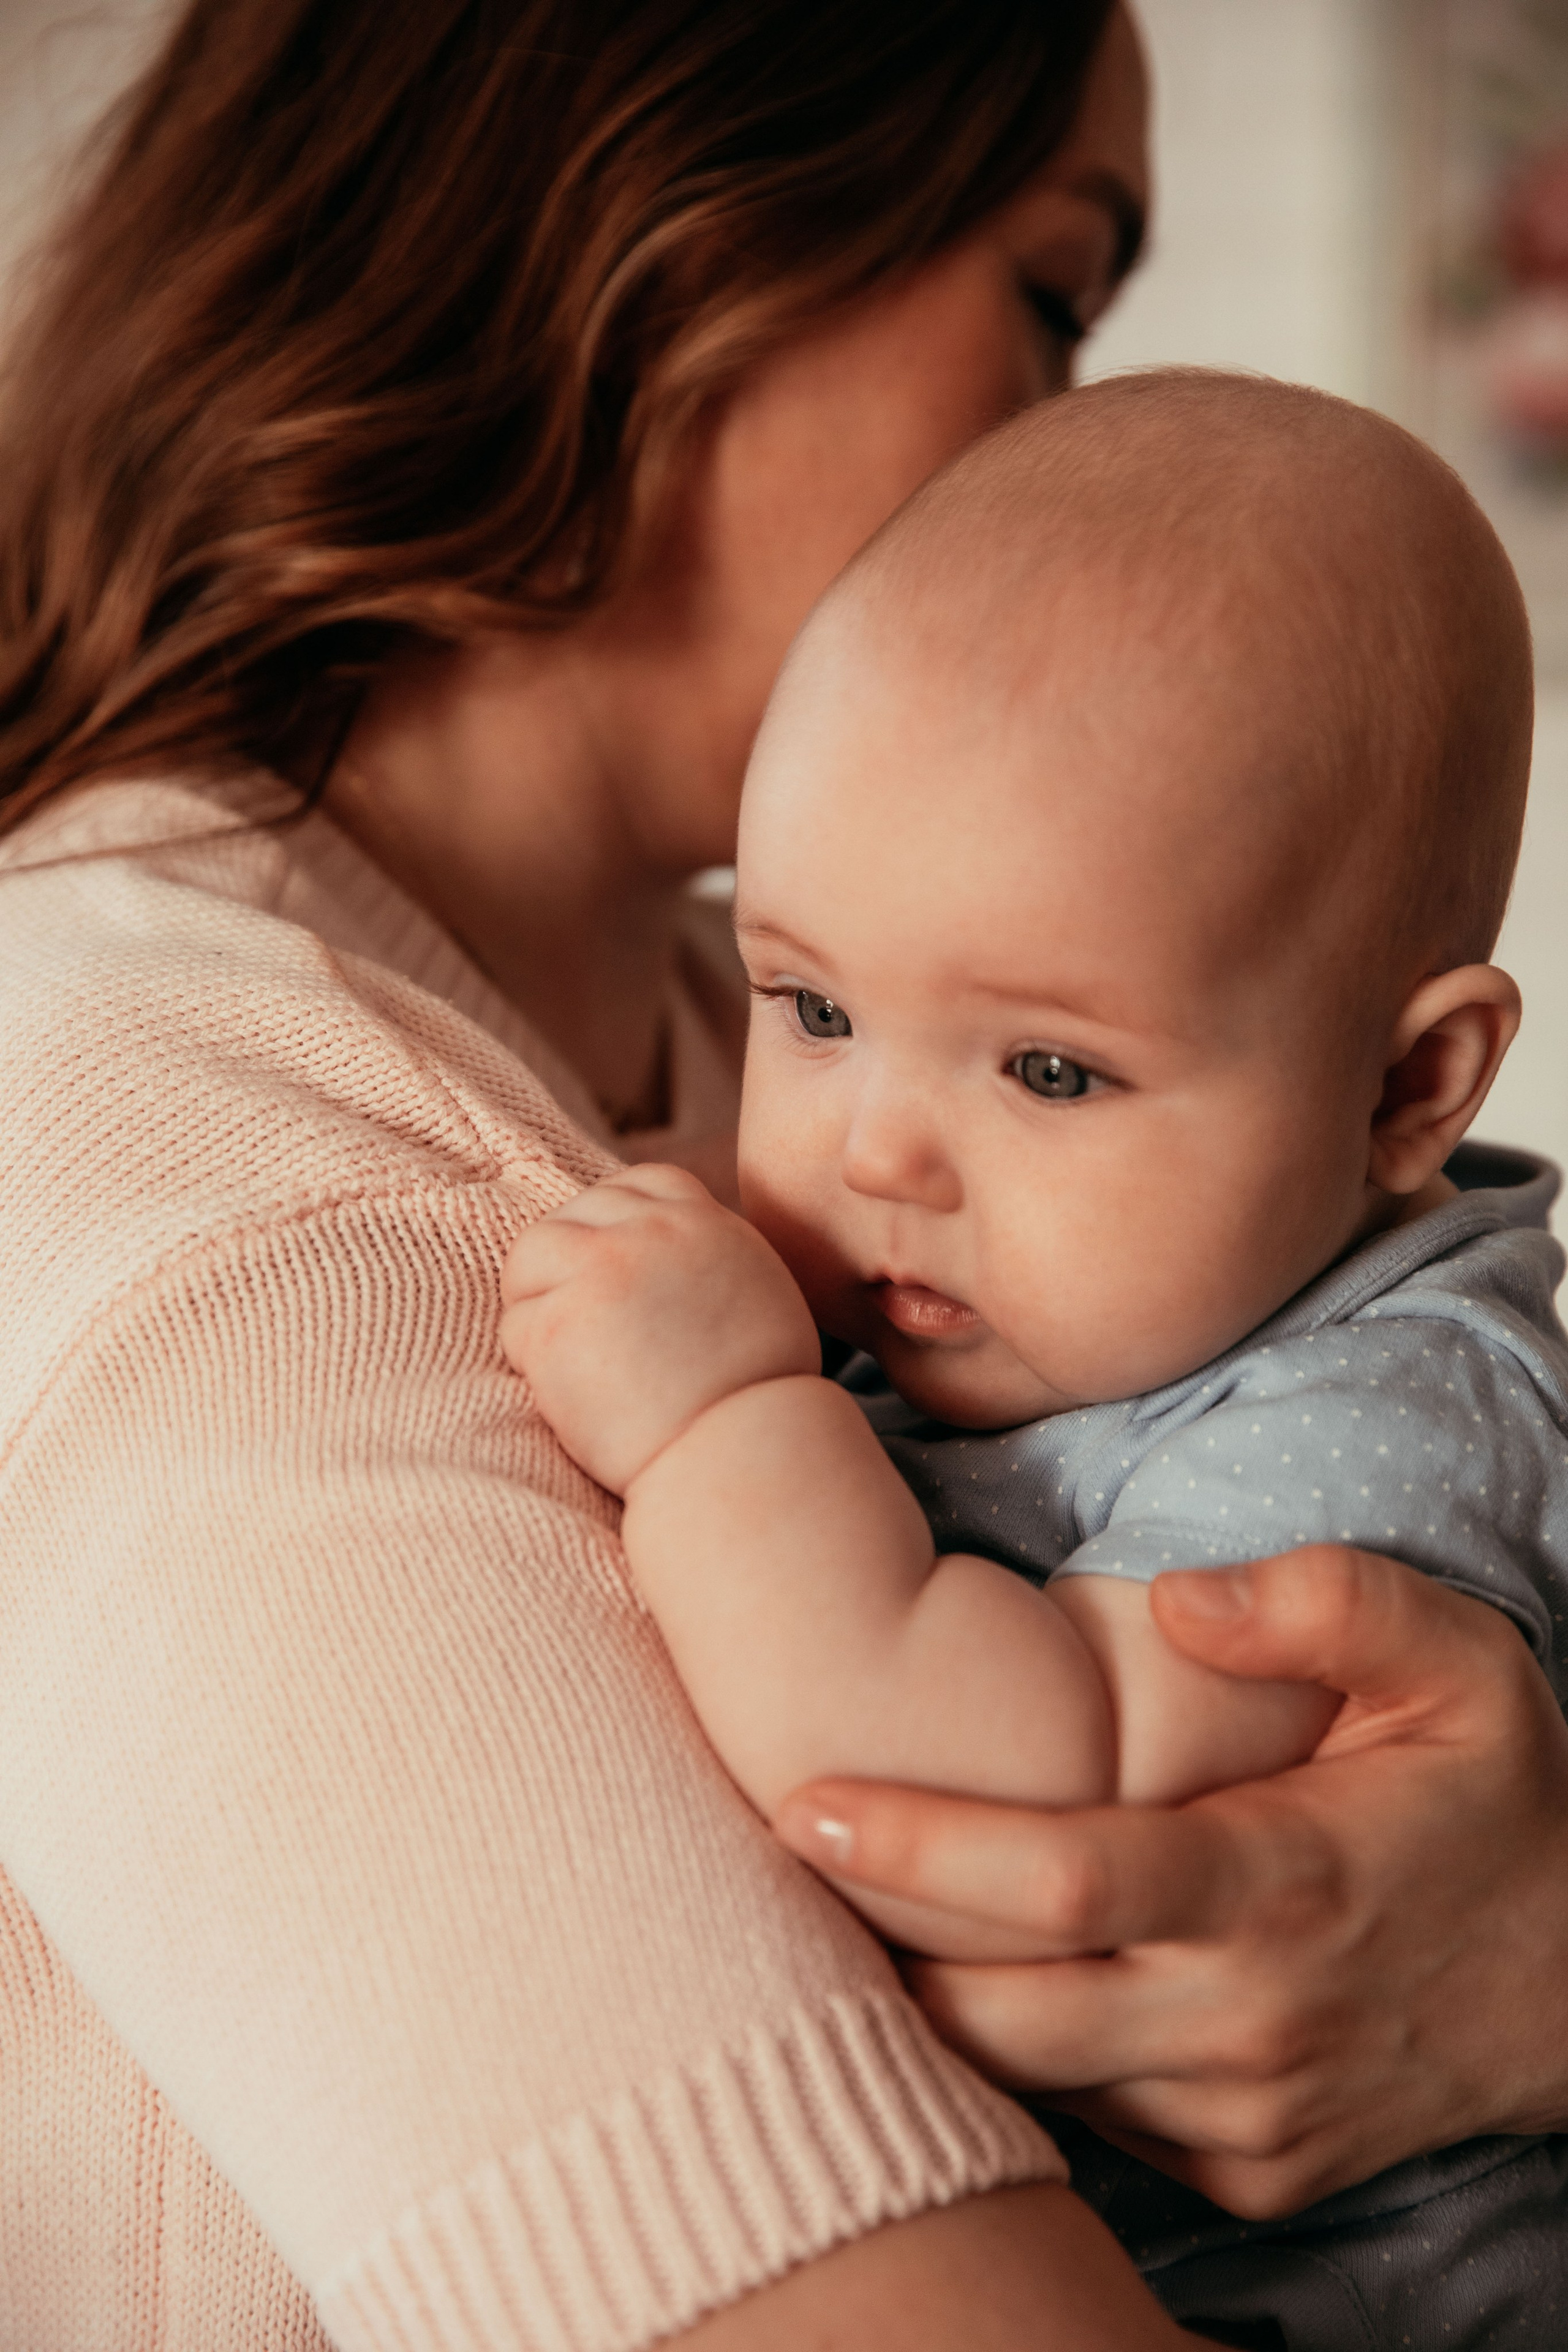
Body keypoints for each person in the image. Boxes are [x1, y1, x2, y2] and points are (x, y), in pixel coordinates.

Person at [0, 0, 1559, 2341]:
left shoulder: (768, 1063)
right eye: (1054, 297)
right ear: (661, 204)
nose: (1071, 444)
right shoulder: (194, 1130)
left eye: (1048, 1068)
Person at [499, 369, 1568, 2346]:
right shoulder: (1053, 1294)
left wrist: (727, 1422)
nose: (877, 1154)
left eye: (1050, 1067)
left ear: (1408, 1086)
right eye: (810, 1009)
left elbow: (987, 1792)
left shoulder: (1399, 1418)